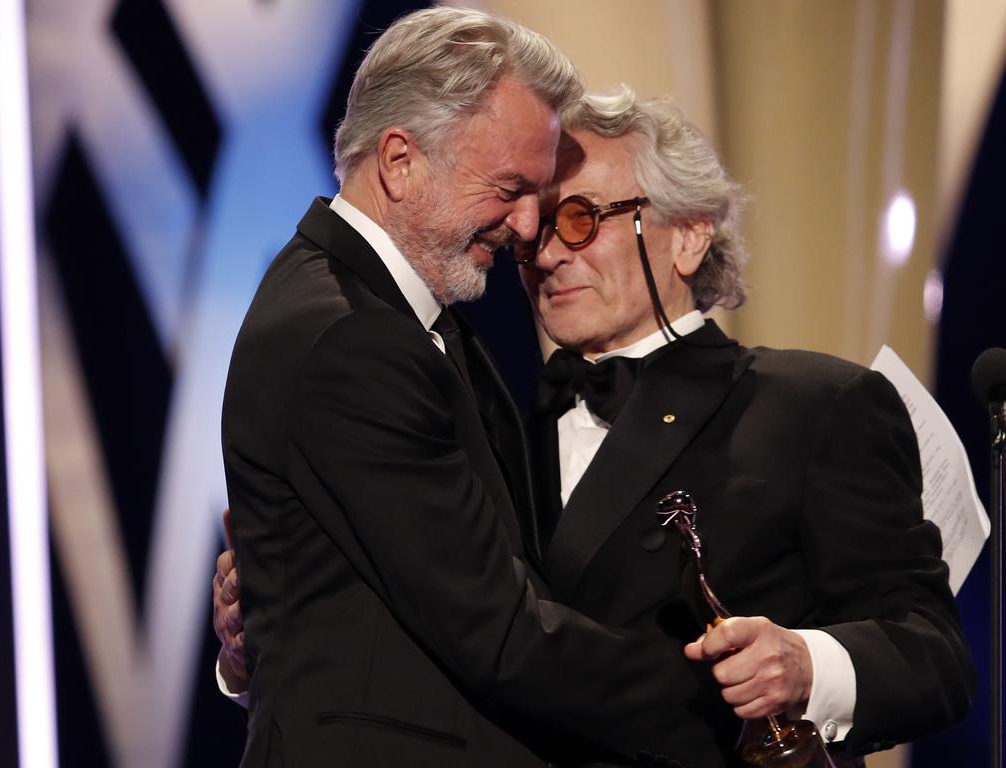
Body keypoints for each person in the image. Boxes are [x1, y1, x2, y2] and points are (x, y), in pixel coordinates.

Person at [218, 60, 975, 764]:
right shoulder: (493, 415)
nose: (542, 251)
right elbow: (459, 625)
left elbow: (935, 657)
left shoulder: (817, 406)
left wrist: (809, 667)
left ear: (688, 234)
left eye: (578, 219)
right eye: (531, 224)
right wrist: (283, 616)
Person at [221, 8, 725, 768]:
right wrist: (733, 717)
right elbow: (495, 627)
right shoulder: (350, 340)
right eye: (510, 188)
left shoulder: (402, 318)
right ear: (399, 161)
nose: (529, 227)